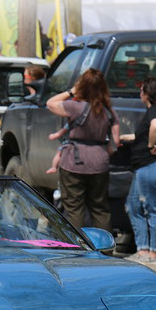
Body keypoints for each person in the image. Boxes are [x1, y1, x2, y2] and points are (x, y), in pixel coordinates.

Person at [46, 68, 120, 233]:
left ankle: (78, 247)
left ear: (83, 87)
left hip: (74, 161)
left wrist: (71, 91)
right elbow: (115, 141)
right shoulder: (109, 111)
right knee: (100, 208)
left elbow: (50, 103)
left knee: (74, 207)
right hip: (100, 162)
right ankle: (104, 249)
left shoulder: (75, 107)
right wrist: (102, 154)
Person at [119, 76, 156, 265]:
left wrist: (151, 144)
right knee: (133, 205)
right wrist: (125, 138)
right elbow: (143, 133)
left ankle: (154, 253)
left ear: (148, 94)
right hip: (147, 166)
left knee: (152, 207)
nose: (140, 93)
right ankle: (143, 249)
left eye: (142, 90)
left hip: (152, 165)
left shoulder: (155, 111)